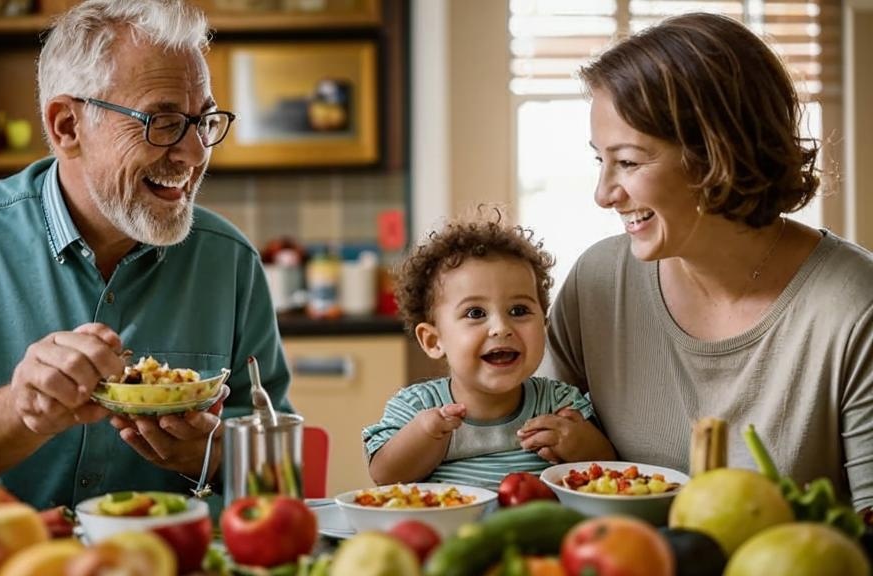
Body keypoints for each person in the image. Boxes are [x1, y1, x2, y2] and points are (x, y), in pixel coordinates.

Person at [0, 0, 291, 511]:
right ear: (66, 126)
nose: (193, 154)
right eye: (163, 121)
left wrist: (209, 456)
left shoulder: (229, 262)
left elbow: (278, 474)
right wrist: (20, 409)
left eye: (204, 120)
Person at [539, 12, 873, 512]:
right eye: (600, 160)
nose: (603, 194)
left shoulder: (852, 306)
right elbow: (529, 464)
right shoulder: (598, 284)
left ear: (718, 154)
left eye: (628, 162)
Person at [363, 214, 615, 489]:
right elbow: (384, 475)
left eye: (519, 311)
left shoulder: (558, 403)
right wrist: (425, 434)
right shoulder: (416, 407)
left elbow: (610, 468)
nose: (501, 327)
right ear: (434, 341)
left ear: (543, 325)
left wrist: (578, 443)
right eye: (476, 313)